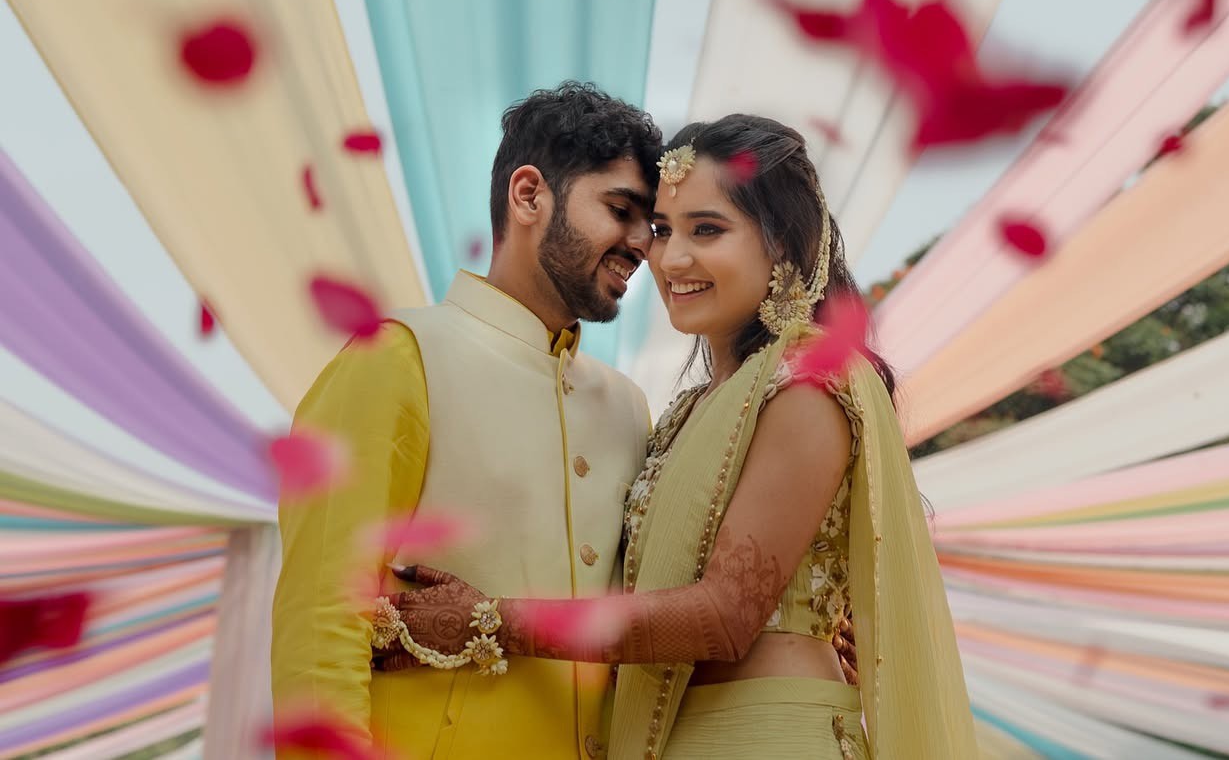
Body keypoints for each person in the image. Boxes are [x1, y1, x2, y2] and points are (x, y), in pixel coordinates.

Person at [378, 115, 979, 759]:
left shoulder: (806, 386)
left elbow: (724, 617)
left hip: (768, 737)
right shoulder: (686, 412)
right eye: (663, 230)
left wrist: (492, 621)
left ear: (782, 243)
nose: (671, 258)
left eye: (707, 229)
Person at [269, 81, 663, 760]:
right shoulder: (397, 355)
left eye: (649, 225)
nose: (641, 244)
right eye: (620, 210)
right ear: (529, 194)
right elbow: (321, 618)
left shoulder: (629, 408)